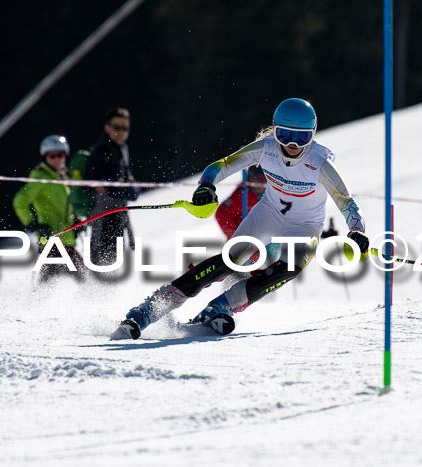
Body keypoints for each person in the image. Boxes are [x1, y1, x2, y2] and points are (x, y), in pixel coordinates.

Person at [111, 98, 369, 340]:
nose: (293, 144)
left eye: (302, 137)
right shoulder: (267, 148)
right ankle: (148, 310)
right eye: (285, 135)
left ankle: (224, 306)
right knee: (229, 261)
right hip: (268, 213)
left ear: (313, 134)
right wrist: (206, 186)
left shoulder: (320, 162)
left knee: (292, 266)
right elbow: (221, 165)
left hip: (305, 225)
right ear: (274, 130)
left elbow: (347, 203)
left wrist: (358, 231)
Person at [13, 135, 85, 279]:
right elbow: (20, 201)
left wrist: (74, 221)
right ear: (45, 157)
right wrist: (32, 224)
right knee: (85, 278)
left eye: (61, 155)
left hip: (65, 241)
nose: (58, 159)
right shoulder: (41, 178)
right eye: (53, 156)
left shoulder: (61, 179)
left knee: (79, 279)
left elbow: (62, 207)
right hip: (52, 243)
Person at [87, 107, 139, 265]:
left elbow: (132, 192)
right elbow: (114, 188)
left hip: (118, 215)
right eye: (117, 127)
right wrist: (126, 187)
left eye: (125, 128)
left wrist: (126, 188)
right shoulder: (101, 150)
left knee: (115, 265)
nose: (121, 132)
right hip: (103, 218)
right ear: (107, 127)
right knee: (102, 266)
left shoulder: (122, 149)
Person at [214, 164, 267, 239]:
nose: (263, 182)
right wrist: (234, 233)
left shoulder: (268, 194)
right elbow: (221, 213)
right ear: (251, 178)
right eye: (261, 178)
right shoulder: (242, 195)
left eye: (267, 178)